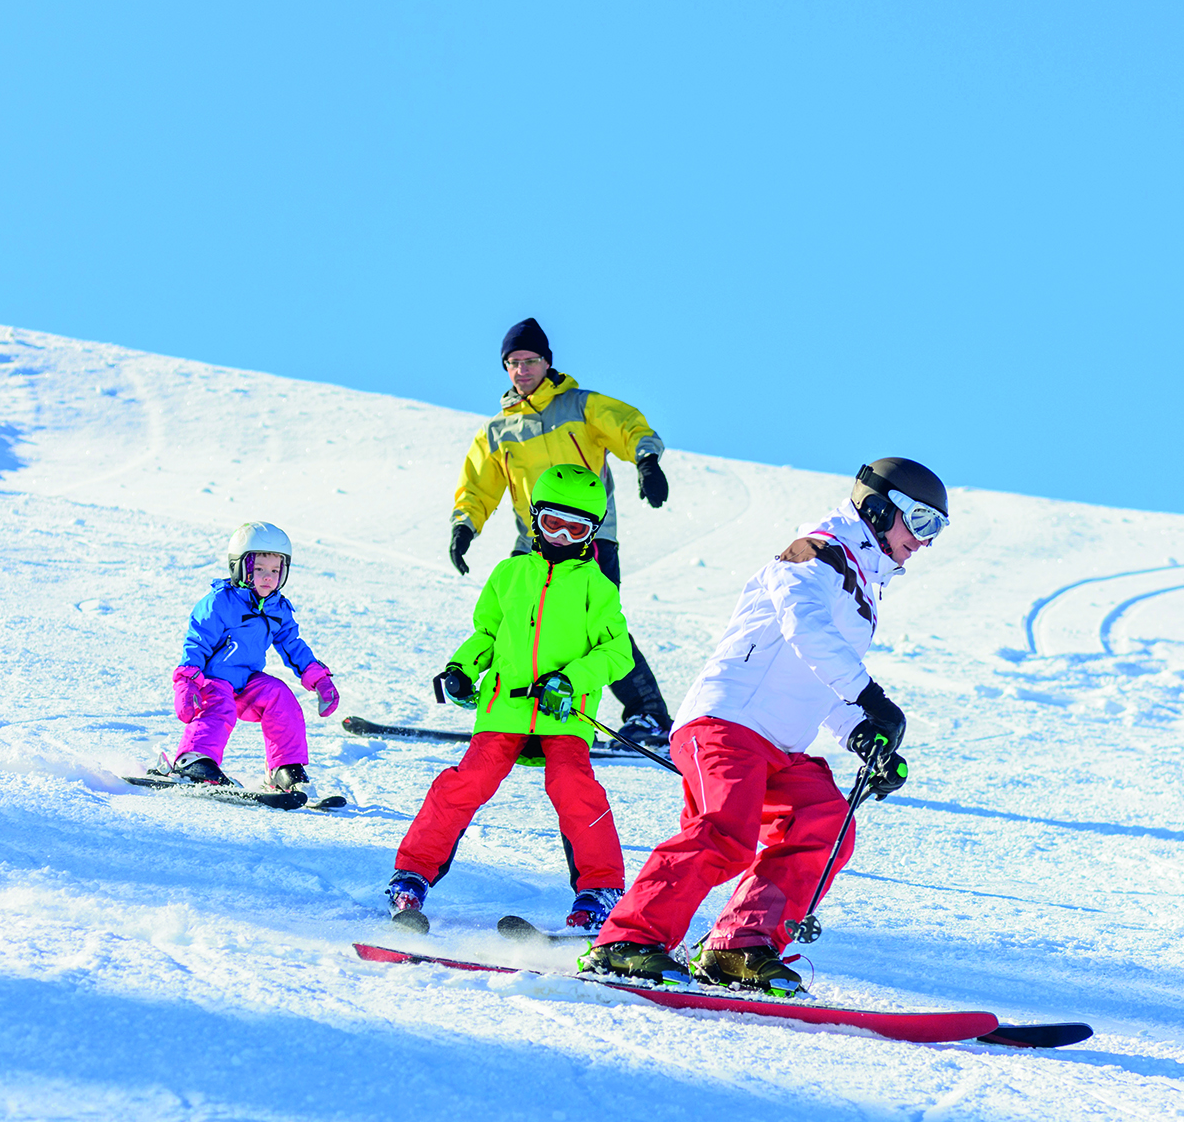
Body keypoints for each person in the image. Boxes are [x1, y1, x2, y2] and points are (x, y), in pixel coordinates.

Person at [580, 457, 950, 993]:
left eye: (935, 529)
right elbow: (806, 631)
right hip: (727, 723)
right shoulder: (815, 553)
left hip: (779, 742)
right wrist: (874, 700)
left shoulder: (864, 589)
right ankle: (626, 940)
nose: (925, 541)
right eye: (919, 523)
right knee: (726, 833)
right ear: (878, 507)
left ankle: (741, 946)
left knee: (825, 822)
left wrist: (860, 733)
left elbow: (815, 674)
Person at [389, 464, 638, 931]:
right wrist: (462, 668)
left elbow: (616, 653)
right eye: (552, 524)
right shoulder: (509, 574)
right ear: (534, 518)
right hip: (504, 707)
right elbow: (487, 632)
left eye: (576, 528)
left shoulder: (596, 586)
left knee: (575, 789)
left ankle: (600, 889)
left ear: (592, 533)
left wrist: (571, 679)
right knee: (466, 783)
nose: (562, 536)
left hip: (563, 713)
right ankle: (412, 876)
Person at [448, 316, 674, 748]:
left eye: (530, 360)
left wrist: (647, 461)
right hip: (532, 541)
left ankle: (648, 716)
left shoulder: (580, 406)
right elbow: (477, 486)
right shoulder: (498, 432)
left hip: (590, 537)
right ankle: (514, 710)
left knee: (598, 627)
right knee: (514, 623)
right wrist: (464, 527)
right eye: (513, 362)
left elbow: (629, 426)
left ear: (547, 362)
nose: (522, 370)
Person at [168, 521, 340, 796]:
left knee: (279, 695)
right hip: (213, 680)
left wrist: (318, 679)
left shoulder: (278, 608)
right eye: (258, 569)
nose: (268, 577)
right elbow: (197, 643)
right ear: (240, 568)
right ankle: (193, 759)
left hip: (247, 681)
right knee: (219, 705)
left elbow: (293, 645)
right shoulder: (219, 603)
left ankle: (284, 768)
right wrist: (186, 683)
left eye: (275, 570)